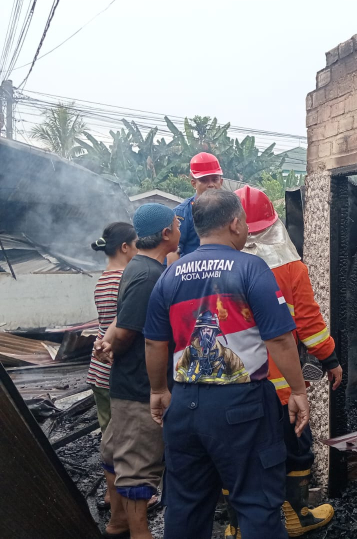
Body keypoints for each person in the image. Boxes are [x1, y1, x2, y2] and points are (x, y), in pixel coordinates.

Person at [143, 189, 310, 539]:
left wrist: (159, 389)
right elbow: (278, 339)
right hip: (242, 409)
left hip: (184, 407)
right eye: (245, 221)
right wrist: (297, 390)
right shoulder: (250, 267)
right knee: (256, 504)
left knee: (186, 506)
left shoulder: (169, 276)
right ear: (235, 223)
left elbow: (154, 341)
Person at [221, 186, 340, 538]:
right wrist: (330, 357)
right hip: (281, 389)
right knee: (295, 449)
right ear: (272, 223)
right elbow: (308, 325)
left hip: (229, 388)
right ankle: (296, 515)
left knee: (236, 455)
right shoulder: (290, 268)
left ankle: (237, 526)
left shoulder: (212, 269)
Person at [97, 204, 181, 539]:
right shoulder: (149, 275)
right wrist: (110, 347)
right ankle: (139, 533)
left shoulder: (139, 267)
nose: (179, 229)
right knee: (138, 465)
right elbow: (130, 329)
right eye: (176, 225)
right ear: (165, 234)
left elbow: (122, 319)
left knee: (117, 451)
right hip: (138, 385)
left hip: (129, 384)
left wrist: (105, 342)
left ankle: (118, 523)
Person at [88, 222, 137, 512]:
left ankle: (111, 495)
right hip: (114, 368)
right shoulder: (126, 279)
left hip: (98, 370)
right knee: (122, 440)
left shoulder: (102, 279)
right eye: (136, 244)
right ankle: (121, 500)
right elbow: (124, 325)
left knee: (108, 436)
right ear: (124, 247)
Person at [167, 151, 224, 265]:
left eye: (214, 179)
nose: (211, 184)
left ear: (221, 181)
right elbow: (172, 252)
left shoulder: (230, 210)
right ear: (193, 183)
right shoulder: (181, 213)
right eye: (204, 180)